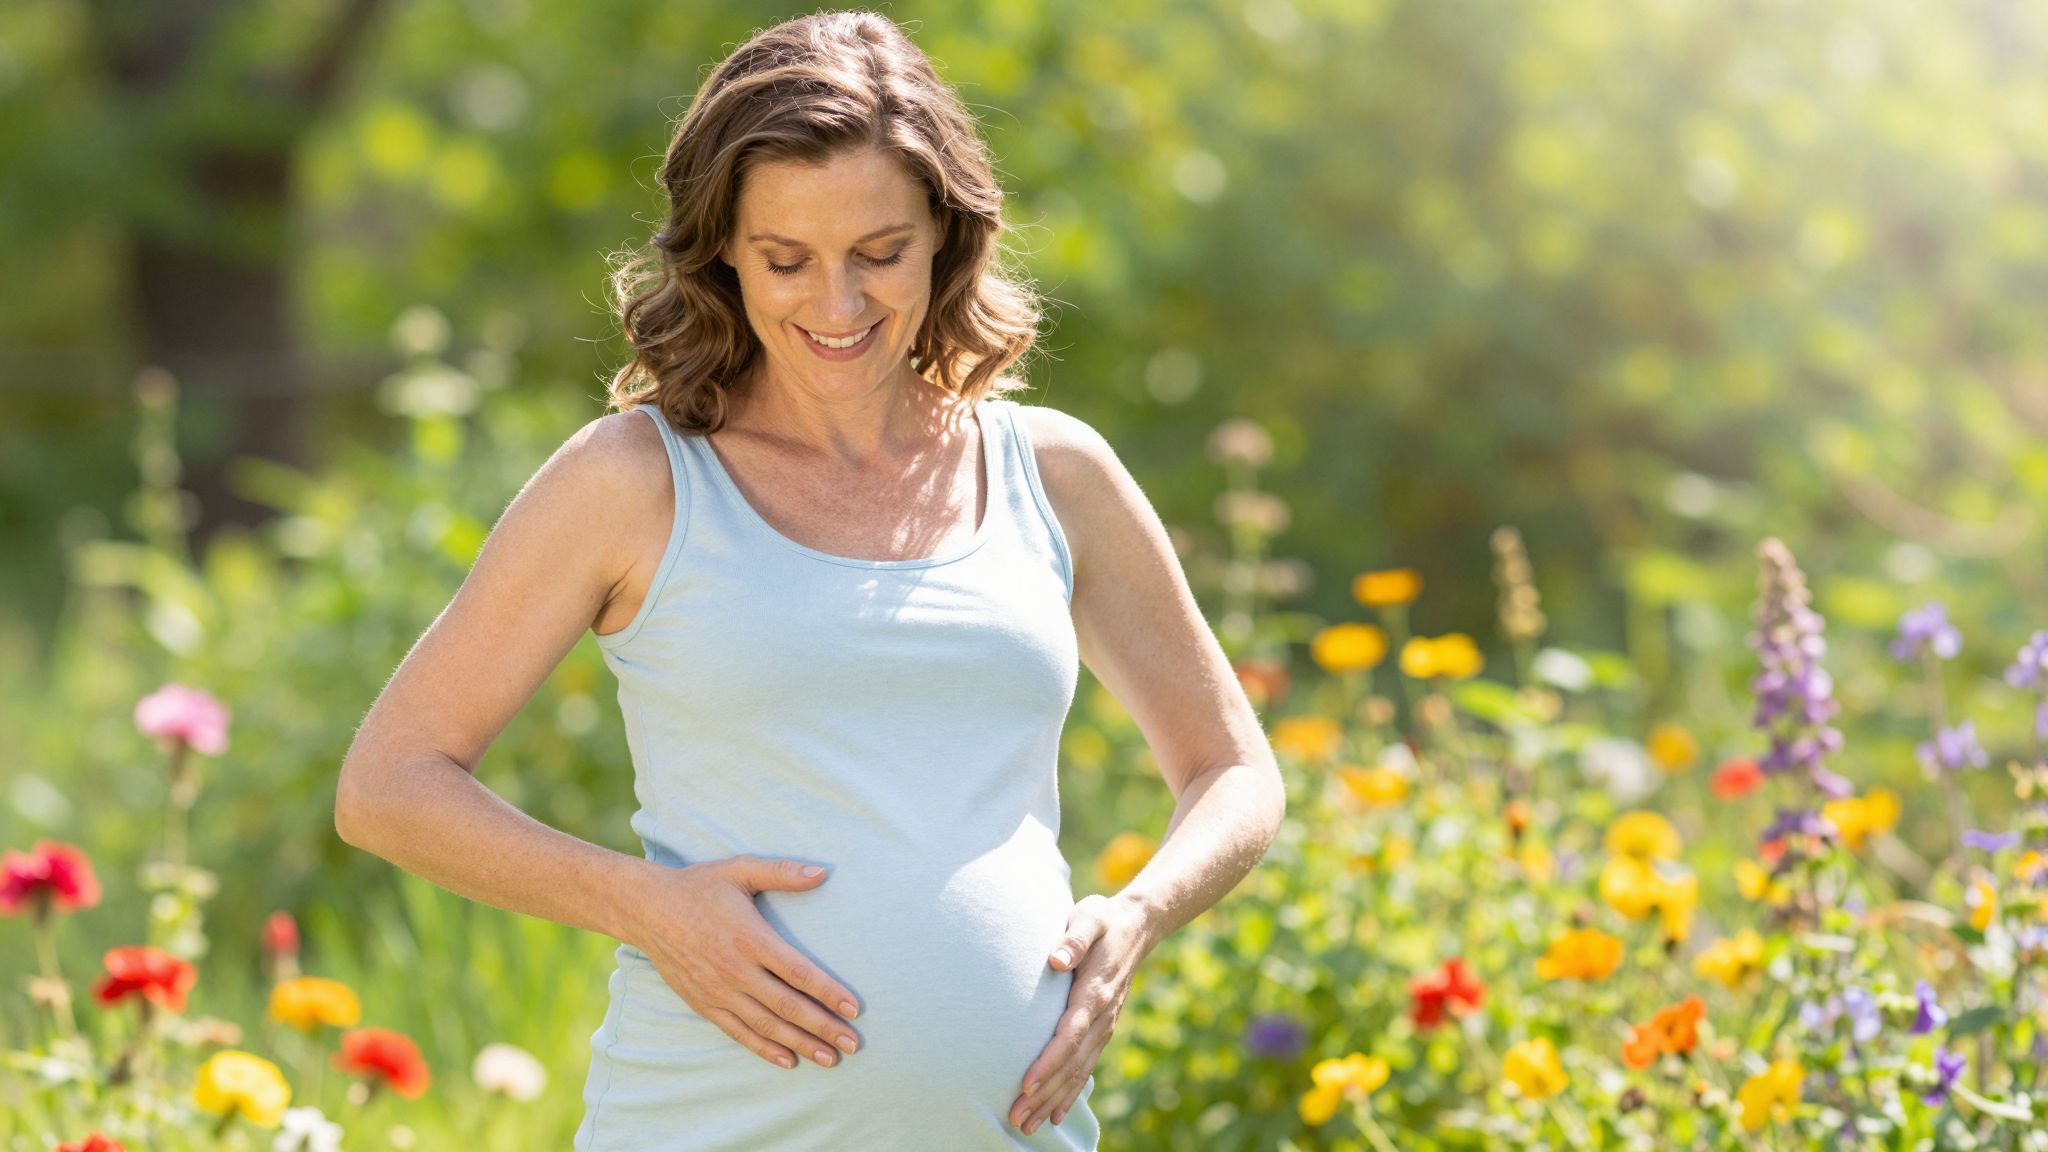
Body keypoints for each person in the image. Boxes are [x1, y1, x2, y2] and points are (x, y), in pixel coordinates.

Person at [334, 11, 1283, 1150]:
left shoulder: (1056, 473)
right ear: (723, 251)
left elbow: (1231, 770)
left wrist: (1136, 918)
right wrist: (647, 907)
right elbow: (388, 784)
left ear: (946, 233)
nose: (837, 305)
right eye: (787, 260)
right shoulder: (635, 481)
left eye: (878, 252)